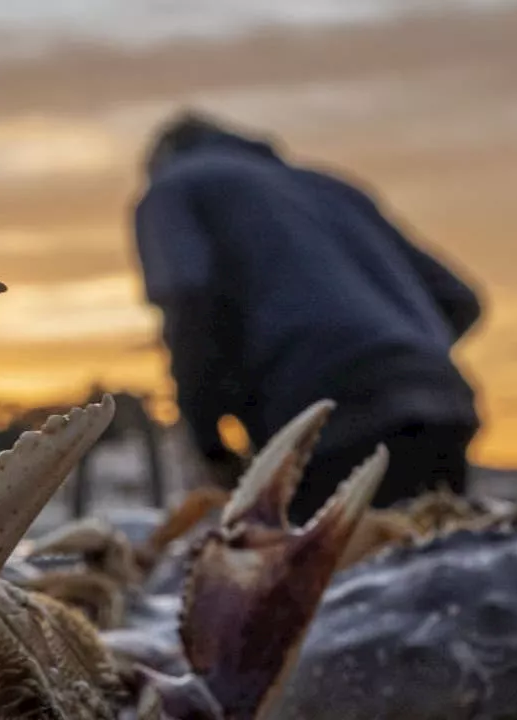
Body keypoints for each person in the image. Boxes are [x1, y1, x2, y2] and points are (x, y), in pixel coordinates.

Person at [131, 109, 484, 524]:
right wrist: (402, 358)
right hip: (442, 407)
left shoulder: (174, 188)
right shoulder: (329, 186)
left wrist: (210, 442)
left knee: (336, 582)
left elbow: (190, 302)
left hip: (320, 420)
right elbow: (459, 299)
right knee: (431, 567)